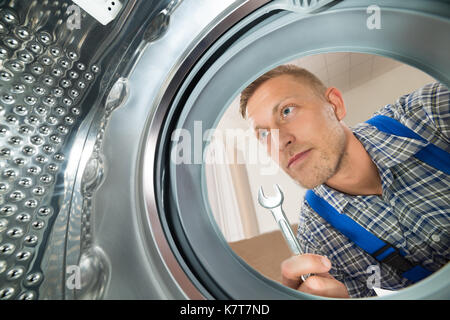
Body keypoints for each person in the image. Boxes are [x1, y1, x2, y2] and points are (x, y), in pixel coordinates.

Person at [239, 64, 449, 298]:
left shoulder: (430, 111)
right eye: (264, 134)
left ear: (335, 105)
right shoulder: (317, 240)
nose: (279, 142)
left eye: (287, 111)